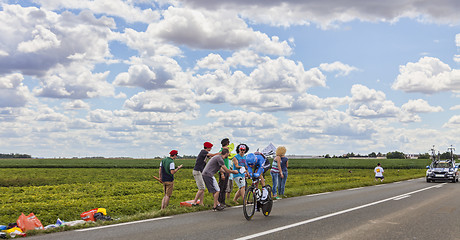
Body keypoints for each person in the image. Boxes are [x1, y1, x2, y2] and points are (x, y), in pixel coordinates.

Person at [191, 142, 218, 206]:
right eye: (210, 147)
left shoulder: (205, 154)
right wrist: (220, 153)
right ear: (208, 147)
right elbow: (211, 155)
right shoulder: (203, 152)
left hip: (200, 172)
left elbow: (211, 158)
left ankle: (201, 203)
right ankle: (194, 202)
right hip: (197, 171)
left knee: (202, 188)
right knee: (201, 188)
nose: (211, 148)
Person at [218, 138, 231, 207]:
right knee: (221, 187)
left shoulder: (226, 151)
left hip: (226, 171)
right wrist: (222, 173)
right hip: (222, 171)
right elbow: (220, 164)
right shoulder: (222, 151)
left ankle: (223, 201)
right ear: (227, 144)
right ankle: (219, 202)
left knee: (224, 187)